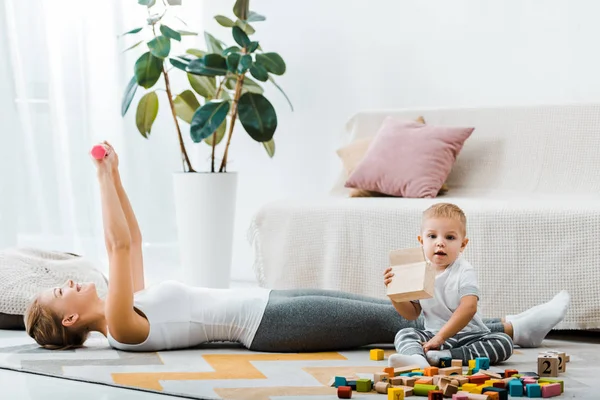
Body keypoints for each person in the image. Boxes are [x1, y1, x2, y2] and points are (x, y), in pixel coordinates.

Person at [23, 143, 571, 352]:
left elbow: (133, 240)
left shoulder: (131, 304)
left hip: (269, 301)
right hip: (267, 328)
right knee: (398, 325)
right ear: (71, 316)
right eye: (58, 291)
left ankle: (510, 326)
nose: (67, 278)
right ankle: (512, 328)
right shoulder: (120, 327)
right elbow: (117, 248)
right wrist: (98, 179)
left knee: (394, 310)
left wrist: (115, 174)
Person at [386, 203, 528, 368]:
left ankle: (445, 357)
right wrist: (395, 296)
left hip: (470, 335)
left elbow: (469, 307)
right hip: (432, 335)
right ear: (421, 241)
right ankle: (418, 360)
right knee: (404, 334)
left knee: (503, 342)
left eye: (450, 237)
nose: (440, 243)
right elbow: (412, 314)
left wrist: (441, 337)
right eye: (432, 236)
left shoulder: (464, 270)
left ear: (463, 245)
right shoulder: (419, 271)